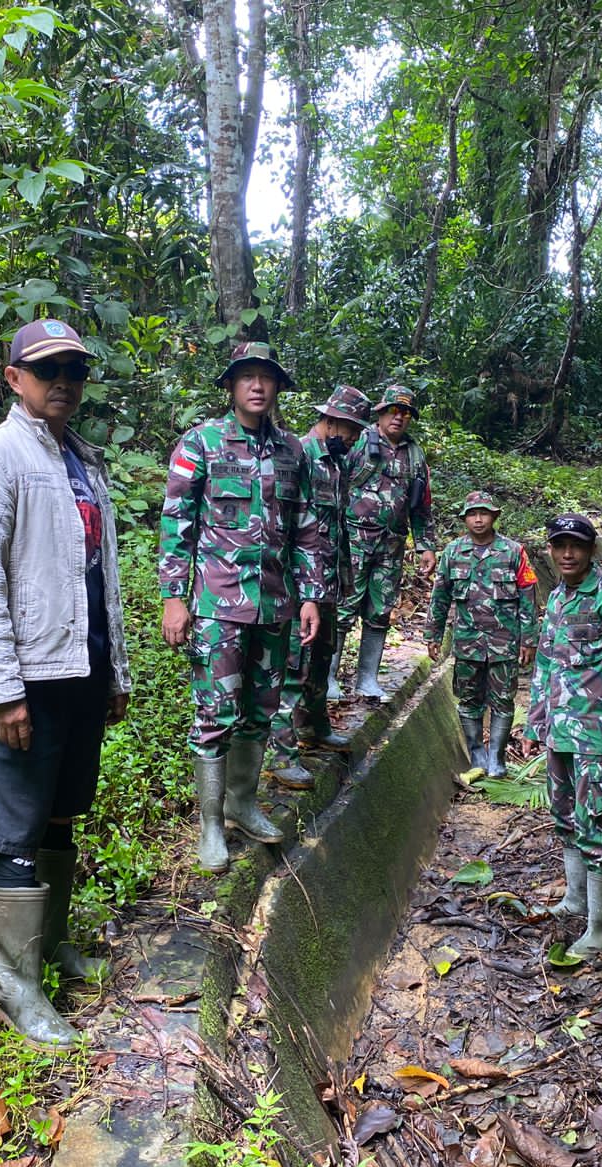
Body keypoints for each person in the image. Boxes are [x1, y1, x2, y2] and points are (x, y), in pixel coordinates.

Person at [0, 318, 132, 1048]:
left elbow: (100, 579)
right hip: (27, 675)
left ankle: (50, 948)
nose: (63, 381)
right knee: (20, 820)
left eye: (74, 370)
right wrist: (0, 691)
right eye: (47, 368)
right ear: (14, 377)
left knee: (61, 813)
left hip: (80, 666)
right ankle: (14, 982)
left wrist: (114, 671)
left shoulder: (82, 460)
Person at [159, 342, 324, 872]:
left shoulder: (293, 451)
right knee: (215, 714)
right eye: (247, 377)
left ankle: (243, 804)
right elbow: (177, 523)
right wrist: (173, 597)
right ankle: (211, 825)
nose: (257, 386)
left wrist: (311, 596)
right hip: (218, 604)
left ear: (277, 387)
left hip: (275, 605)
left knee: (260, 710)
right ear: (231, 386)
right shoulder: (202, 443)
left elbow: (306, 529)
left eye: (266, 377)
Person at [521, 514, 602, 959]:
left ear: (591, 550)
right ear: (551, 550)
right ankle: (574, 899)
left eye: (576, 545)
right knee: (565, 819)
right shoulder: (556, 597)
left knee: (597, 827)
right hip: (560, 733)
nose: (567, 553)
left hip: (596, 735)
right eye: (560, 545)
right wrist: (534, 723)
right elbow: (545, 664)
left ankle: (598, 928)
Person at [265, 385, 369, 789]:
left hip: (327, 581)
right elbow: (291, 525)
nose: (355, 437)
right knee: (294, 665)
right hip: (298, 584)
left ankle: (314, 726)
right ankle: (282, 754)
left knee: (322, 659)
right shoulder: (301, 455)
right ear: (331, 420)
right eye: (351, 429)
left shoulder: (336, 461)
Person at [333, 384, 435, 701]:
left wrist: (425, 545)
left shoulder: (414, 454)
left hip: (391, 546)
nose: (399, 417)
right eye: (393, 410)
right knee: (342, 609)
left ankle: (367, 679)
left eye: (405, 413)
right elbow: (333, 484)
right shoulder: (358, 441)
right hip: (353, 543)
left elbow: (421, 505)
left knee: (380, 612)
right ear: (380, 412)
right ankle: (328, 678)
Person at [427, 491, 538, 778]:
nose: (478, 519)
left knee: (503, 700)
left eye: (484, 513)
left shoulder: (513, 551)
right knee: (468, 700)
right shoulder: (453, 552)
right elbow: (440, 597)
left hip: (504, 642)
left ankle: (496, 758)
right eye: (473, 514)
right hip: (468, 643)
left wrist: (529, 639)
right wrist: (433, 635)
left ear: (494, 516)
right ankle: (477, 754)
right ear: (465, 518)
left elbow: (528, 597)